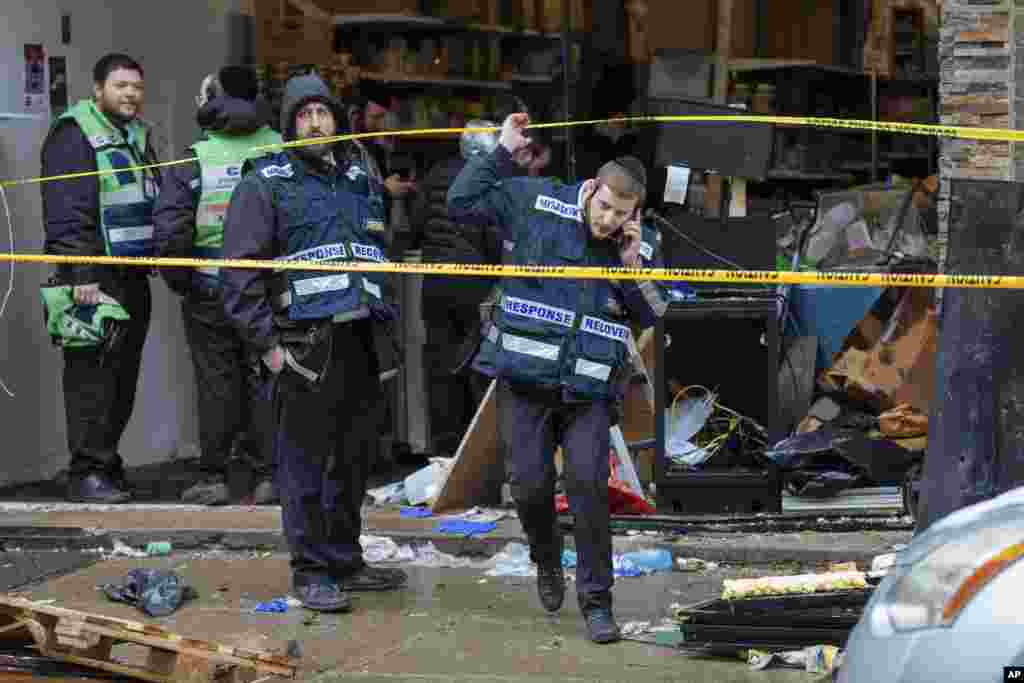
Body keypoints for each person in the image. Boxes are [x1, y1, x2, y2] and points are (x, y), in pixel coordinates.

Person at [448, 113, 669, 643]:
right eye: (605, 208)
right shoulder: (537, 201)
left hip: (588, 393)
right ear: (591, 189)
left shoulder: (636, 245)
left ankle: (597, 603)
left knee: (590, 487)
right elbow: (461, 202)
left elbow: (653, 315)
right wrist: (501, 151)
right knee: (528, 487)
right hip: (525, 383)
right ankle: (547, 559)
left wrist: (631, 264)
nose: (609, 221)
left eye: (622, 215)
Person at [220, 73, 407, 612]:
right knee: (302, 465)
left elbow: (377, 255)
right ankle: (310, 570)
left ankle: (345, 558)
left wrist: (387, 328)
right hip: (303, 346)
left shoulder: (357, 177)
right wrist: (269, 349)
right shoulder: (265, 182)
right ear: (289, 125)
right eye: (304, 115)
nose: (316, 122)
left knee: (352, 460)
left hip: (360, 341)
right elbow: (238, 278)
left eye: (322, 112)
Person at [153, 66, 283, 505]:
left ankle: (214, 478)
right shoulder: (284, 149)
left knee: (217, 382)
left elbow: (171, 231)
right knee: (272, 377)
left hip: (210, 288)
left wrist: (182, 282)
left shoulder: (197, 156)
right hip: (271, 288)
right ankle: (273, 476)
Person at [40, 53, 161, 503]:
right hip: (92, 278)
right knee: (92, 380)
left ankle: (104, 462)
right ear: (98, 89)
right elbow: (68, 207)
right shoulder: (75, 133)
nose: (131, 93)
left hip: (130, 275)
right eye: (121, 85)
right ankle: (86, 471)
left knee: (121, 379)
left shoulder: (133, 134)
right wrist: (80, 271)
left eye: (137, 86)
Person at [411, 94, 541, 467]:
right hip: (475, 286)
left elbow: (417, 227)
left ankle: (443, 452)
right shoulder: (493, 180)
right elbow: (496, 236)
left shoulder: (435, 174)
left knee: (440, 369)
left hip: (433, 285)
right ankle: (475, 456)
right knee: (477, 367)